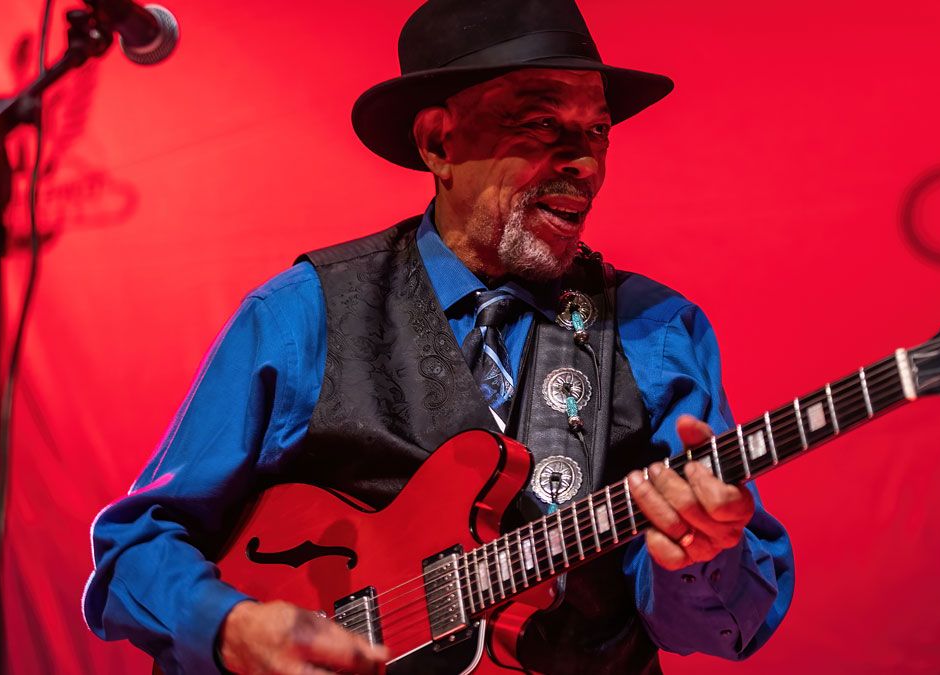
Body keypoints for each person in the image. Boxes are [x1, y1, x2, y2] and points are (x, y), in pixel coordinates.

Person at [82, 1, 794, 673]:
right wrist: (231, 628)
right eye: (543, 123)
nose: (585, 162)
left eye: (598, 130)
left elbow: (710, 630)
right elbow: (133, 548)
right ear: (437, 141)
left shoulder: (659, 332)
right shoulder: (302, 314)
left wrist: (703, 553)